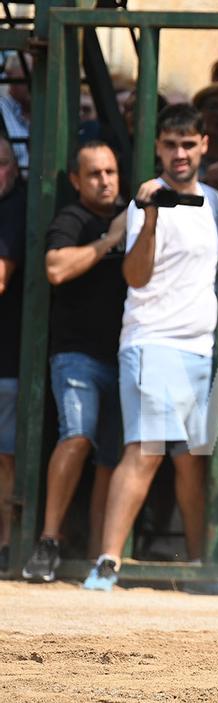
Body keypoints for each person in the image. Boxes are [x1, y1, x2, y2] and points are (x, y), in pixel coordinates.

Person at [84, 104, 218, 591]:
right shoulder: (143, 204)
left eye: (188, 143)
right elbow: (136, 277)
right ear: (157, 147)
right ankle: (107, 564)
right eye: (170, 144)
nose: (179, 153)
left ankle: (201, 569)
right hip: (152, 341)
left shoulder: (216, 201)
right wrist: (149, 214)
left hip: (201, 348)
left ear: (204, 144)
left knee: (190, 460)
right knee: (145, 451)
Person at [20, 142, 128, 582]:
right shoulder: (72, 218)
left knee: (110, 458)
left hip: (126, 354)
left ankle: (99, 558)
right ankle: (48, 541)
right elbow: (56, 268)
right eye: (94, 174)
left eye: (110, 172)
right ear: (75, 180)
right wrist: (110, 240)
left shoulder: (134, 214)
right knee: (78, 437)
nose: (104, 181)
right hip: (77, 355)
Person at [0, 136, 24, 571]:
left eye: (1, 163)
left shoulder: (17, 206)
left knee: (5, 455)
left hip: (8, 355)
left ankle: (5, 545)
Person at [0, 54, 31, 170]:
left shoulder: (45, 113)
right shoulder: (3, 109)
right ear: (10, 76)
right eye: (28, 75)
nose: (34, 84)